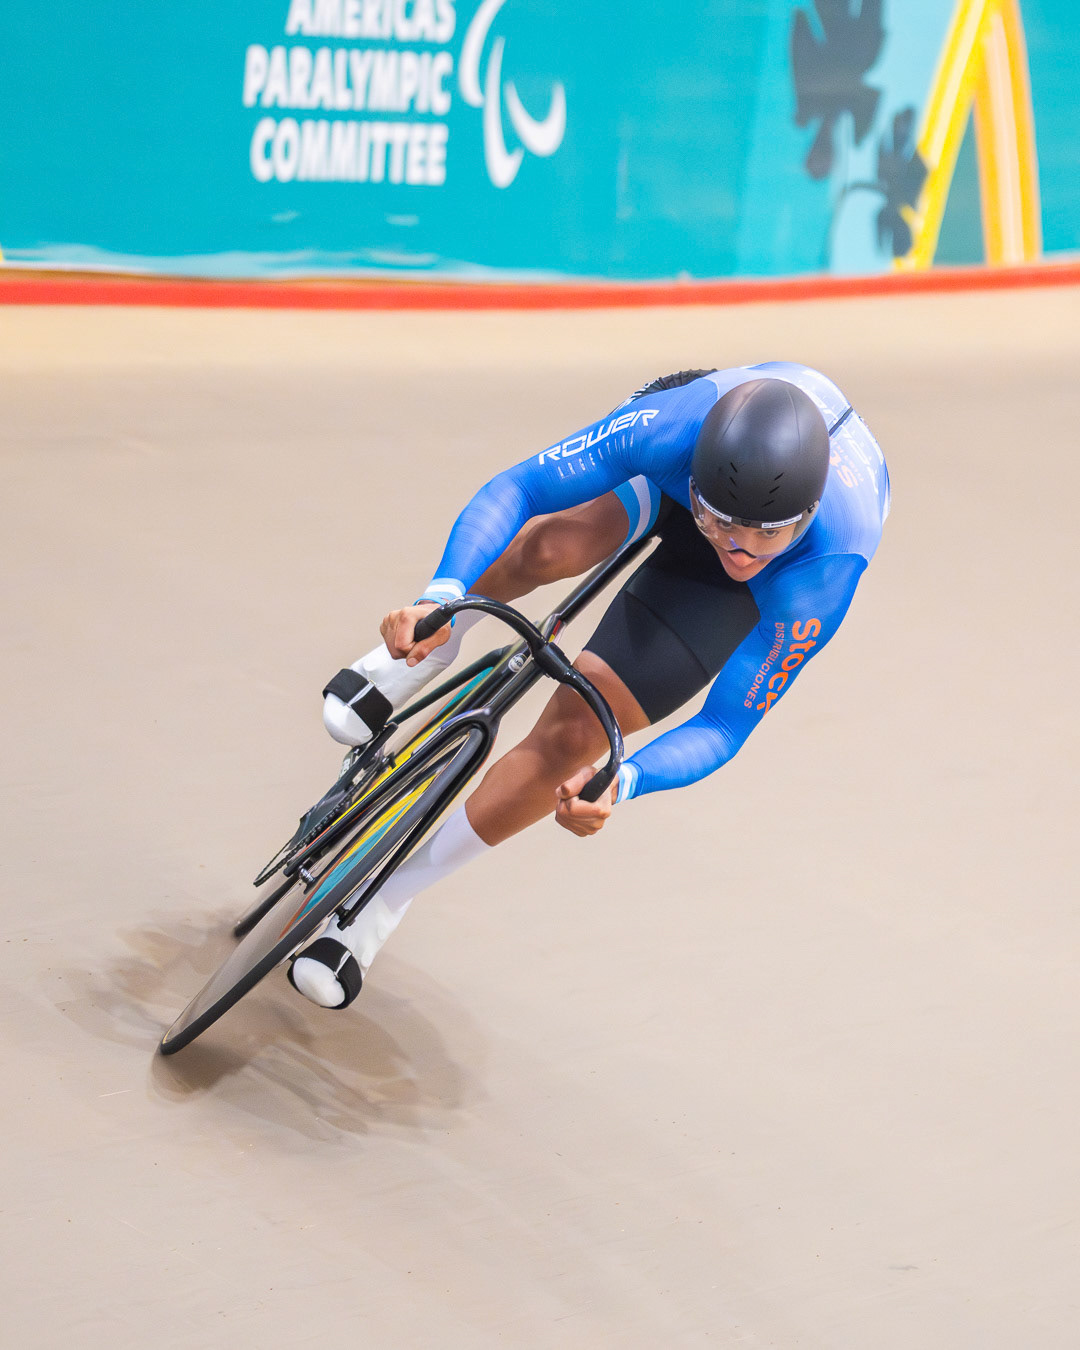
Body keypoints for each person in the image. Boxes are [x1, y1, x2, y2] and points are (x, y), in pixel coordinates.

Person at [289, 363, 891, 1009]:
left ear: (807, 517)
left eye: (765, 534)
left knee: (578, 732)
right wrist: (440, 592)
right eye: (724, 525)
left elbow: (724, 725)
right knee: (548, 546)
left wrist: (623, 780)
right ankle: (425, 647)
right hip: (673, 483)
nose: (740, 549)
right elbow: (518, 488)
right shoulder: (670, 431)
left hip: (750, 583)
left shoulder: (821, 571)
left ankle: (381, 901)